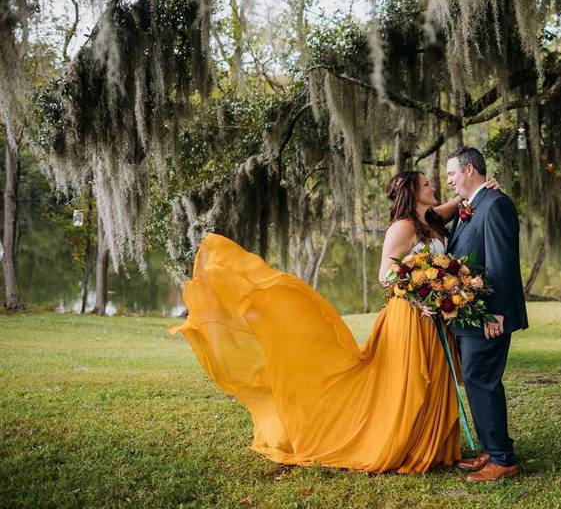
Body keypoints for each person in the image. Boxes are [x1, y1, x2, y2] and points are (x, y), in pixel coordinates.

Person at [171, 170, 499, 474]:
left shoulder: (429, 218)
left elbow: (457, 204)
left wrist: (482, 190)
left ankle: (432, 443)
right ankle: (405, 443)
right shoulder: (402, 226)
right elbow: (385, 275)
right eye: (427, 184)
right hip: (410, 316)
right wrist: (418, 297)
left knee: (433, 379)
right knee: (410, 380)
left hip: (432, 318)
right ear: (414, 192)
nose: (433, 187)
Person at [445, 146, 528, 482]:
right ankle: (491, 449)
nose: (449, 180)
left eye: (452, 173)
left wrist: (495, 312)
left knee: (483, 382)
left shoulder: (495, 205)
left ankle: (502, 459)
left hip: (487, 317)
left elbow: (501, 262)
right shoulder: (474, 206)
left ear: (468, 170)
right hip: (471, 315)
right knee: (478, 382)